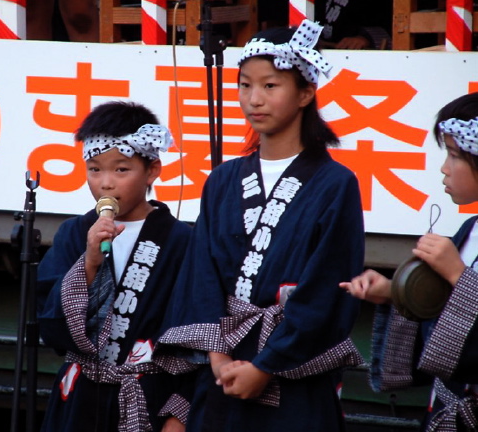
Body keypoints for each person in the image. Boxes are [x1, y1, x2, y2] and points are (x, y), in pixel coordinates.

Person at [156, 19, 366, 432]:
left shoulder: (335, 184)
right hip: (224, 370)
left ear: (306, 93)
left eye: (270, 86)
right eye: (245, 85)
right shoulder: (223, 180)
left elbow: (327, 286)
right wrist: (218, 357)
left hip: (293, 375)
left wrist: (266, 366)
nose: (254, 99)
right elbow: (202, 273)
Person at [36, 100, 194, 432]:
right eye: (95, 169)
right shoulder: (75, 234)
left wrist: (178, 415)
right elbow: (50, 326)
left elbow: (196, 334)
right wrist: (90, 262)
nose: (106, 183)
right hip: (79, 398)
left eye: (121, 169)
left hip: (148, 395)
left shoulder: (182, 241)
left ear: (152, 170)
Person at [340, 92, 478, 431]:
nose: (445, 168)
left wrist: (458, 275)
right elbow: (447, 314)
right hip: (452, 408)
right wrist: (394, 293)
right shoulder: (469, 229)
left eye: (455, 155)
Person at [259, 0, 392, 50]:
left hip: (358, 60)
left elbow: (395, 26)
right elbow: (270, 15)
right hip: (313, 55)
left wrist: (365, 39)